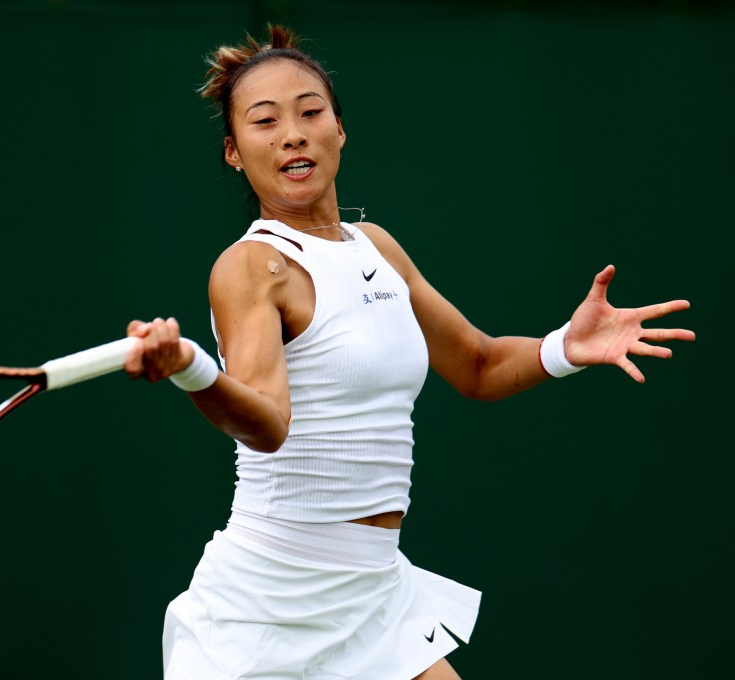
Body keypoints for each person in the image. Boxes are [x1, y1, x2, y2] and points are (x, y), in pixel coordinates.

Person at [123, 25, 694, 680]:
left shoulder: (377, 248)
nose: (293, 135)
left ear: (340, 129)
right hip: (267, 600)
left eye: (310, 112)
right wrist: (192, 369)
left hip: (374, 593)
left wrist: (566, 345)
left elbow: (477, 365)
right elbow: (267, 423)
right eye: (265, 121)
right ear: (233, 152)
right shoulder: (252, 267)